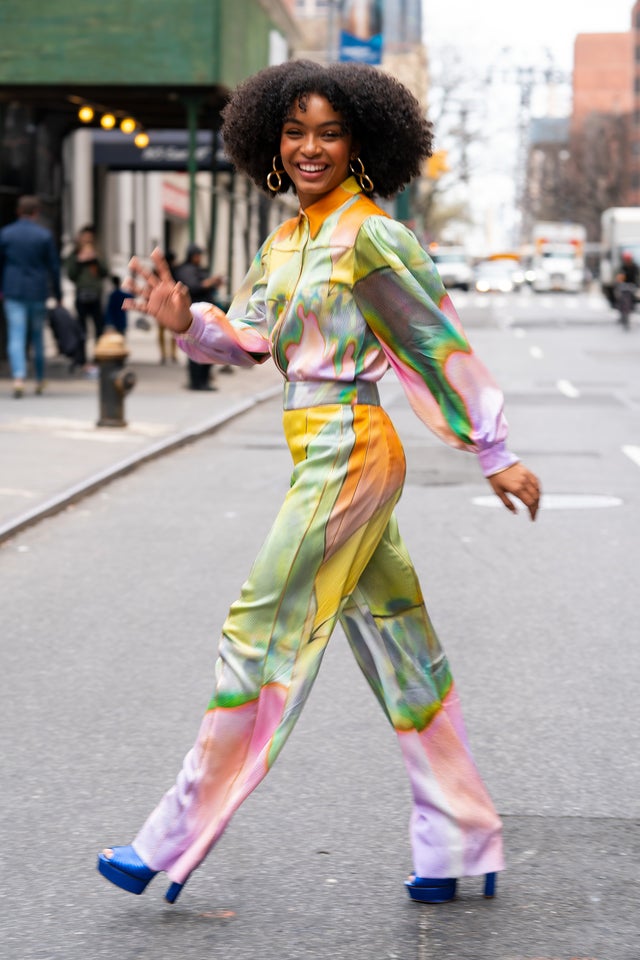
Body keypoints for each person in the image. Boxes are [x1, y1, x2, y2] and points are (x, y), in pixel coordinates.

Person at [98, 60, 541, 907]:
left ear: (360, 143)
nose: (309, 147)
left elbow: (431, 340)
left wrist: (494, 450)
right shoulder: (290, 237)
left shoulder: (371, 234)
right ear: (272, 140)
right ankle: (461, 840)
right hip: (316, 444)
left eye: (328, 132)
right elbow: (251, 336)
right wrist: (186, 320)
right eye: (295, 131)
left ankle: (168, 836)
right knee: (399, 646)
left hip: (351, 443)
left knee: (259, 626)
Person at [0, 195, 62, 397]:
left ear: (19, 211)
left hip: (13, 290)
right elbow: (54, 267)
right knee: (37, 337)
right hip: (37, 291)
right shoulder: (44, 236)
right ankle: (39, 378)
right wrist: (58, 293)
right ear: (36, 213)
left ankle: (19, 377)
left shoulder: (6, 234)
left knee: (16, 335)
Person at [174, 243, 224, 390]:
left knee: (208, 348)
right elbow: (193, 287)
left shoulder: (198, 269)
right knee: (196, 349)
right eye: (197, 255)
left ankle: (204, 380)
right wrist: (210, 282)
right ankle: (197, 382)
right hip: (194, 317)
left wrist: (214, 283)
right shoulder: (185, 270)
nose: (199, 258)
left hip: (206, 316)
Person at [65, 224, 109, 373]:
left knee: (99, 328)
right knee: (81, 329)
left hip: (96, 294)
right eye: (85, 238)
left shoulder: (98, 253)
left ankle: (99, 358)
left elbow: (105, 272)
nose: (87, 240)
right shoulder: (74, 254)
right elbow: (70, 274)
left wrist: (95, 259)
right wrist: (79, 260)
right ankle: (81, 359)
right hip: (81, 293)